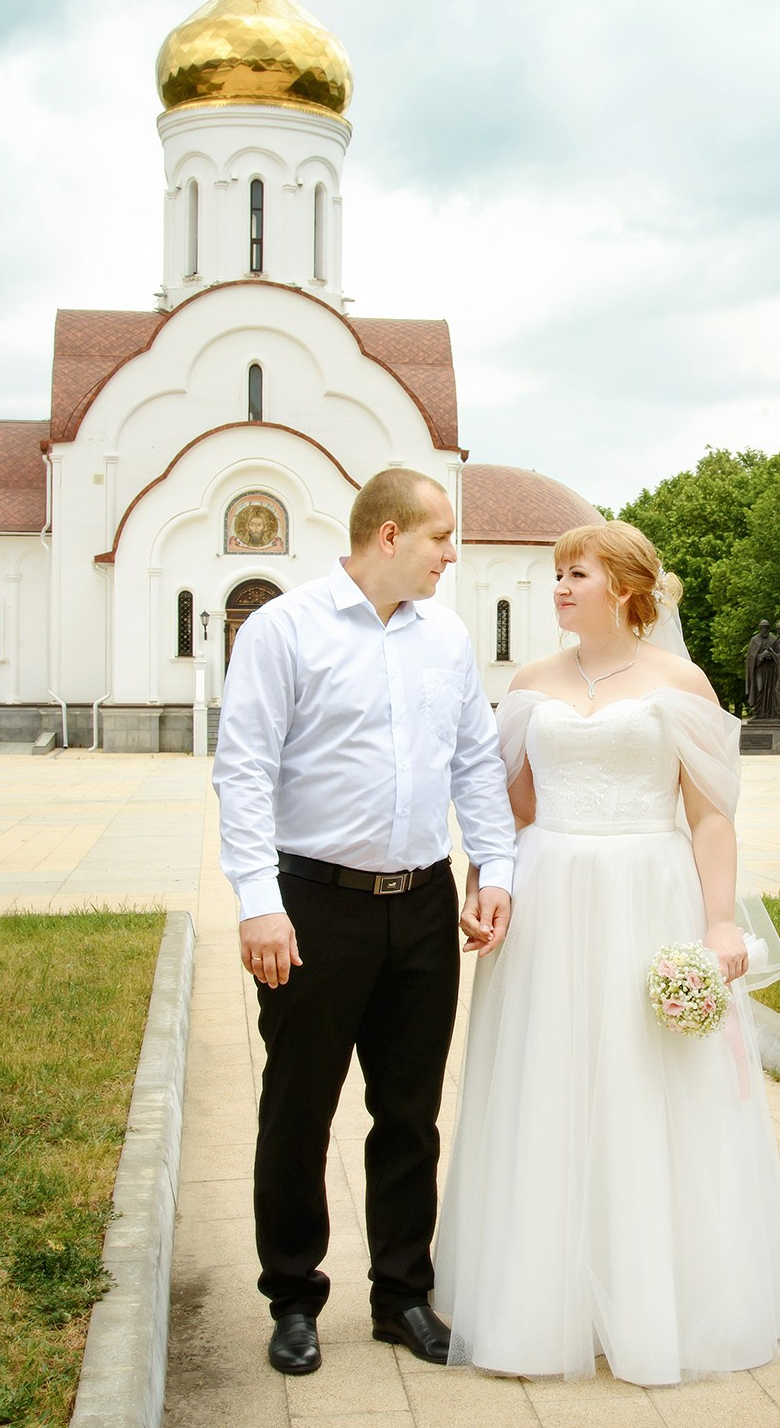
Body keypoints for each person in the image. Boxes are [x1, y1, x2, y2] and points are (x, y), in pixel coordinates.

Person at [435, 520, 780, 1385]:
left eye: (577, 573)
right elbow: (511, 809)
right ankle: (542, 1299)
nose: (560, 587)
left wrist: (721, 924)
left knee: (648, 1085)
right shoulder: (531, 683)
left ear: (629, 589)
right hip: (550, 893)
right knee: (550, 1082)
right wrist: (484, 884)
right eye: (557, 574)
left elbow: (711, 816)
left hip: (649, 888)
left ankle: (659, 1298)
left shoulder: (681, 683)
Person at [212, 467, 519, 1377]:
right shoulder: (283, 630)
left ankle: (401, 1297)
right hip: (313, 906)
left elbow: (473, 764)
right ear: (389, 536)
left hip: (423, 907)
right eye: (440, 538)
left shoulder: (449, 639)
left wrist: (491, 868)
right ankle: (294, 1300)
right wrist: (257, 902)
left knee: (411, 1114)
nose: (451, 555)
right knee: (298, 1111)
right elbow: (243, 772)